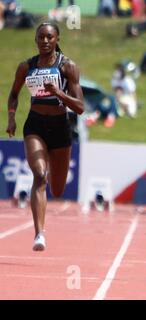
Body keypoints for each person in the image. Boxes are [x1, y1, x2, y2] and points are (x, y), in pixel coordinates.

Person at [6, 22, 84, 251]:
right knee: (40, 176)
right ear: (36, 39)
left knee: (58, 189)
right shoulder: (26, 66)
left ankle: (42, 223)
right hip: (35, 126)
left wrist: (59, 92)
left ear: (57, 39)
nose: (45, 41)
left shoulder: (67, 66)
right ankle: (39, 233)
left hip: (60, 128)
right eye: (41, 37)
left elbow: (80, 107)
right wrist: (11, 117)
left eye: (50, 37)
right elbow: (13, 95)